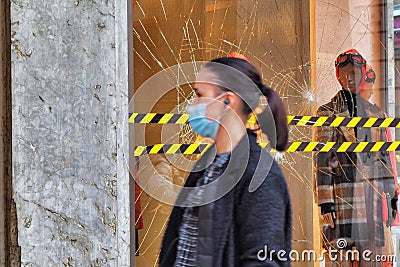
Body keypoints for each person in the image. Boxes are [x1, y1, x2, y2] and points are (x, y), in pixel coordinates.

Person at [159, 55, 292, 266]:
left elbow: (263, 259)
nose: (192, 105)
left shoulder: (259, 174)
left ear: (227, 101)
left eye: (199, 95)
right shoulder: (207, 167)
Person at [314, 49, 397, 266]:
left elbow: (383, 159)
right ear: (338, 75)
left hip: (372, 201)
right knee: (340, 258)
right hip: (343, 199)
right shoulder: (327, 113)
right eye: (345, 72)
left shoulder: (376, 114)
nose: (351, 77)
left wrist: (390, 196)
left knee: (372, 259)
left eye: (355, 72)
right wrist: (325, 203)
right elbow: (322, 160)